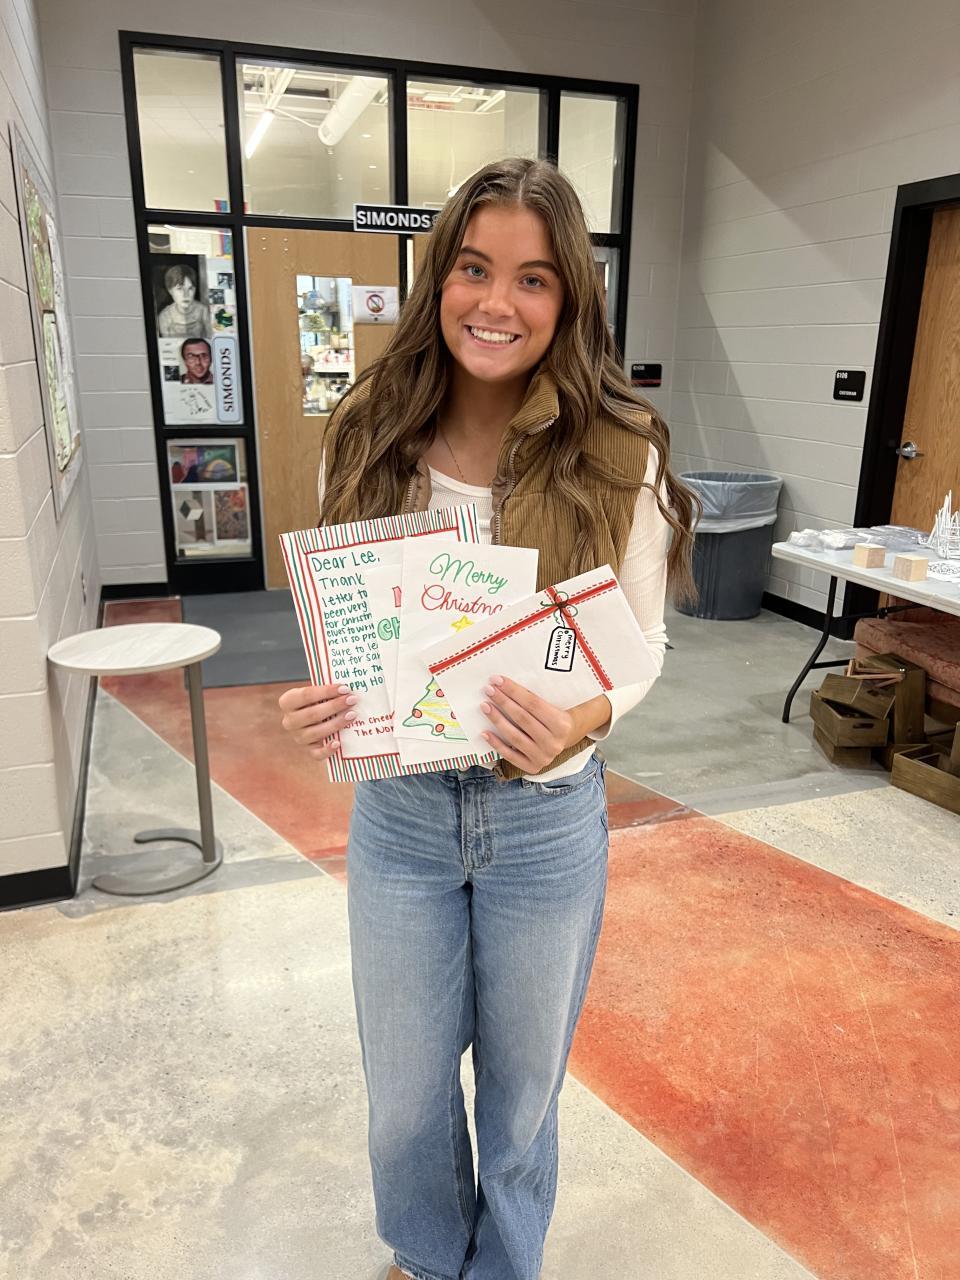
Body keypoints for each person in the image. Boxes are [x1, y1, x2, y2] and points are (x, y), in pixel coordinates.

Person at [278, 157, 699, 1280]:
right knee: (405, 1096)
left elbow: (643, 645)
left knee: (521, 1097)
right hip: (404, 815)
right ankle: (425, 1258)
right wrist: (327, 698)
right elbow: (349, 626)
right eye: (473, 268)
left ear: (570, 300)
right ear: (439, 278)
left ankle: (504, 1268)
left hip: (544, 820)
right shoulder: (368, 430)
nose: (495, 303)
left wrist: (579, 721)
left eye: (533, 278)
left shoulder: (620, 452)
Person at [157, 263, 210, 339]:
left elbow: (210, 338)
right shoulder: (165, 316)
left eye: (190, 288)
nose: (186, 295)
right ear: (170, 291)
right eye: (180, 289)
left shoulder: (203, 311)